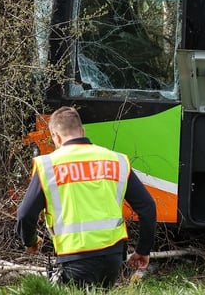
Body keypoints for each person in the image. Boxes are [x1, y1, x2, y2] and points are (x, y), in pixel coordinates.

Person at [16, 106, 156, 288]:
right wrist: (143, 250)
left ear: (55, 136)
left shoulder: (49, 166)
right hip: (112, 257)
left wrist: (31, 242)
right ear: (82, 131)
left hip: (75, 257)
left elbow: (25, 215)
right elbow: (148, 207)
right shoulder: (116, 160)